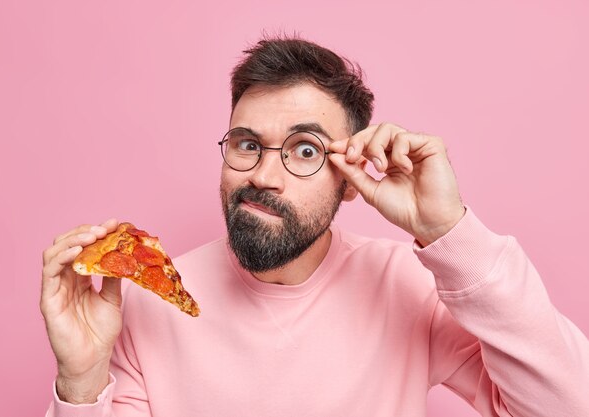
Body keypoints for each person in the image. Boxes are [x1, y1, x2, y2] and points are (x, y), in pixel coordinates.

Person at [41, 36, 589, 417]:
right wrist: (82, 383)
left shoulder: (411, 287)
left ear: (351, 180)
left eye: (305, 150)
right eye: (247, 145)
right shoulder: (143, 302)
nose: (264, 175)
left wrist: (452, 233)